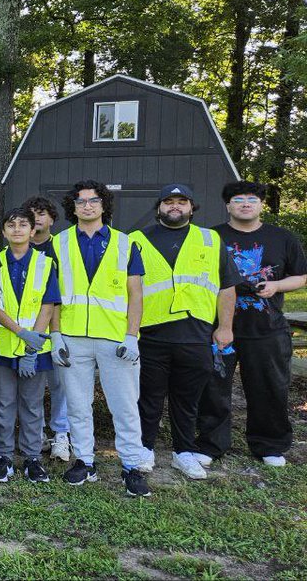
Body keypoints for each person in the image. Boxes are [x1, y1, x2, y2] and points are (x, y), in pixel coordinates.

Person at [48, 180, 151, 497]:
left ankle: (131, 466)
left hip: (115, 338)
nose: (87, 206)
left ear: (104, 205)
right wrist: (55, 336)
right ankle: (84, 463)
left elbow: (136, 295)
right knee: (78, 405)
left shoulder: (125, 244)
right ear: (73, 207)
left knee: (125, 406)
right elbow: (51, 295)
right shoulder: (59, 243)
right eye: (80, 202)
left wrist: (132, 336)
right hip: (73, 337)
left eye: (94, 201)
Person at [130, 184, 238, 480]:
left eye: (181, 201)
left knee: (187, 399)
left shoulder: (210, 239)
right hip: (150, 332)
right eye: (168, 201)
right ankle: (144, 448)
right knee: (148, 397)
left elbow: (226, 287)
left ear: (192, 207)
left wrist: (225, 327)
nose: (174, 206)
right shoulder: (136, 240)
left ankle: (184, 452)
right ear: (159, 207)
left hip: (196, 333)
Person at [197, 181, 306, 466]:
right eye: (238, 199)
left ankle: (269, 445)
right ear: (227, 205)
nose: (245, 203)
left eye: (251, 199)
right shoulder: (209, 237)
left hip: (267, 329)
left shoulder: (282, 238)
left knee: (269, 387)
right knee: (213, 388)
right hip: (218, 327)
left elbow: (301, 276)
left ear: (260, 205)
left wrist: (277, 285)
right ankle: (210, 444)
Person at [0, 208, 60, 484]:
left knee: (32, 405)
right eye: (11, 225)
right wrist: (20, 333)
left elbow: (48, 304)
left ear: (33, 231)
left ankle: (32, 459)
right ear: (3, 232)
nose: (17, 229)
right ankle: (3, 457)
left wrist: (33, 345)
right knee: (4, 403)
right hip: (4, 348)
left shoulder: (45, 263)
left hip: (35, 351)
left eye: (23, 225)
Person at [22, 194, 69, 462]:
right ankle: (36, 432)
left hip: (58, 329)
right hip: (26, 331)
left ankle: (61, 435)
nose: (37, 218)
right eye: (31, 213)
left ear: (52, 218)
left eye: (42, 213)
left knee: (60, 386)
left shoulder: (61, 248)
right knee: (33, 387)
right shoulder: (17, 249)